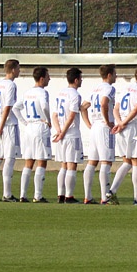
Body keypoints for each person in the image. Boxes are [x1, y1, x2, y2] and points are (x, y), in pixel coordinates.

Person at [109, 66, 137, 205]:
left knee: (127, 161)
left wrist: (119, 122)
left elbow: (116, 108)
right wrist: (124, 122)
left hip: (122, 127)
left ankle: (111, 191)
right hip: (132, 127)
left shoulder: (126, 88)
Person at [14, 67, 52, 203]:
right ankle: (38, 195)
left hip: (29, 128)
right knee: (42, 161)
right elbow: (45, 106)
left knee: (28, 162)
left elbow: (15, 108)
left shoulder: (27, 92)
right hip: (40, 127)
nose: (49, 79)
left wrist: (24, 122)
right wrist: (48, 120)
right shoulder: (43, 92)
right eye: (48, 76)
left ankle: (22, 195)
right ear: (42, 78)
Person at [82, 65, 117, 204]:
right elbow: (104, 104)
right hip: (103, 127)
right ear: (109, 75)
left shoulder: (94, 88)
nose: (116, 76)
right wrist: (108, 122)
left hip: (95, 126)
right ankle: (104, 198)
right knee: (106, 162)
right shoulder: (109, 88)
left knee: (92, 162)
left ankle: (88, 196)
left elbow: (83, 107)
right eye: (115, 74)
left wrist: (89, 124)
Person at [0, 59, 21, 202]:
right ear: (13, 69)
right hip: (7, 125)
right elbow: (8, 106)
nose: (19, 71)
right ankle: (7, 194)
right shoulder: (11, 85)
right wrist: (1, 125)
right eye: (18, 68)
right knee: (9, 158)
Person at [52, 67, 85, 204]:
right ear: (76, 80)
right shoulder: (75, 95)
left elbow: (54, 115)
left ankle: (60, 194)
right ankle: (69, 196)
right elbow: (72, 115)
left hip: (61, 133)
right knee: (72, 165)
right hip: (71, 133)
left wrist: (59, 130)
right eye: (81, 78)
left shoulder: (60, 93)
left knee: (64, 165)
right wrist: (64, 132)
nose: (82, 81)